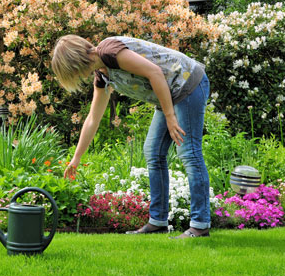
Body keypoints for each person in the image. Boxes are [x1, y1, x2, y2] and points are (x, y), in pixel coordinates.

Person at [51, 35, 211, 238]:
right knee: (153, 152)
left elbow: (155, 73)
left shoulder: (110, 52)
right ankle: (158, 221)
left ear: (75, 62)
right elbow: (93, 118)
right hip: (168, 94)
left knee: (189, 152)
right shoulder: (102, 75)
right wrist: (76, 158)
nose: (78, 77)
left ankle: (200, 224)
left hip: (187, 84)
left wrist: (170, 117)